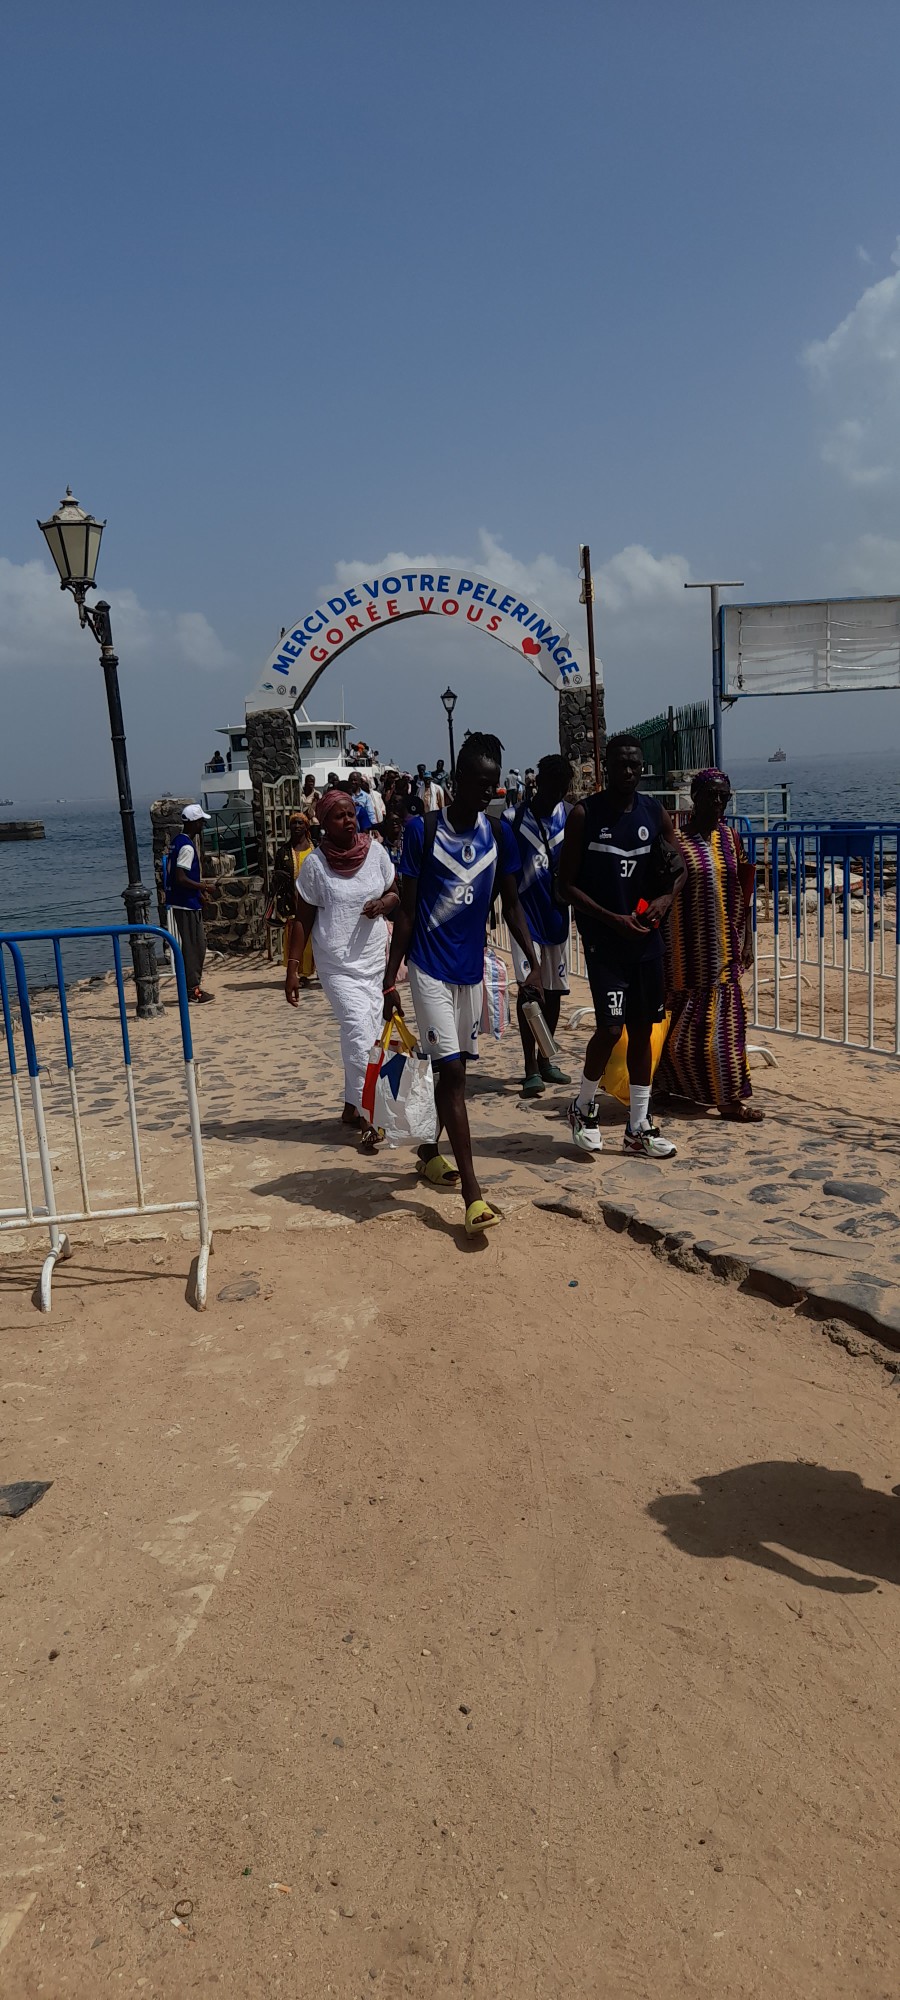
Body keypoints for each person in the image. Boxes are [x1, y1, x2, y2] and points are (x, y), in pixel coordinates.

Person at [383, 731, 543, 1235]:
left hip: (470, 974)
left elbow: (512, 903)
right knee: (451, 1073)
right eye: (476, 784)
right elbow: (407, 911)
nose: (485, 794)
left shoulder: (500, 837)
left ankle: (429, 1151)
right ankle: (473, 1196)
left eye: (492, 786)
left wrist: (532, 961)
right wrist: (392, 977)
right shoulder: (420, 831)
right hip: (429, 968)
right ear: (455, 783)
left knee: (451, 1071)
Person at [558, 733, 684, 1158]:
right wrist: (612, 918)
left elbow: (679, 867)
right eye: (621, 764)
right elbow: (566, 886)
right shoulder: (584, 815)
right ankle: (583, 1105)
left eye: (635, 765)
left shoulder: (654, 811)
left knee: (643, 1031)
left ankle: (638, 1126)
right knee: (611, 1029)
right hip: (605, 941)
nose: (629, 772)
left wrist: (664, 901)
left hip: (647, 940)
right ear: (605, 768)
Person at [284, 789, 398, 1147]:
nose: (348, 820)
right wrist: (291, 968)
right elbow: (302, 919)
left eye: (351, 814)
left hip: (373, 961)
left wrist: (382, 904)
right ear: (324, 822)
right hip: (336, 965)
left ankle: (352, 1103)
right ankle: (369, 1115)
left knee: (369, 1034)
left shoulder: (376, 853)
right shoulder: (316, 866)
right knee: (358, 1032)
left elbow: (397, 891)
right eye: (338, 816)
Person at [655, 768, 762, 1121]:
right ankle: (668, 1085)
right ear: (695, 798)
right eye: (711, 796)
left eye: (724, 797)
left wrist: (746, 939)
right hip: (682, 950)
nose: (718, 803)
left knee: (727, 1030)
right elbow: (657, 890)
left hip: (723, 947)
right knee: (677, 1030)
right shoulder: (675, 841)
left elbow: (743, 892)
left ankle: (729, 1098)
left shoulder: (731, 839)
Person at [510, 753, 574, 1096]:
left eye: (562, 788)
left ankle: (547, 1058)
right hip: (524, 916)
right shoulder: (513, 818)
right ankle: (529, 1065)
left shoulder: (571, 818)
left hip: (557, 915)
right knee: (529, 992)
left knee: (554, 992)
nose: (556, 794)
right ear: (539, 784)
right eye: (552, 787)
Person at [166, 804, 213, 1003]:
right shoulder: (186, 847)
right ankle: (192, 989)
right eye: (201, 821)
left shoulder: (177, 842)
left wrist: (198, 893)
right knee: (195, 946)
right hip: (185, 903)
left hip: (184, 901)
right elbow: (180, 877)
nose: (203, 824)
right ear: (193, 823)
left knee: (195, 944)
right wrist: (202, 887)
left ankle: (191, 986)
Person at [271, 812, 316, 977]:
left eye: (300, 823)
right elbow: (275, 878)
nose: (297, 826)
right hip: (291, 898)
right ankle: (299, 973)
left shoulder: (315, 848)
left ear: (306, 826)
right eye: (294, 823)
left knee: (314, 934)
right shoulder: (283, 851)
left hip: (313, 898)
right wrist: (278, 876)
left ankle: (315, 969)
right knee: (295, 935)